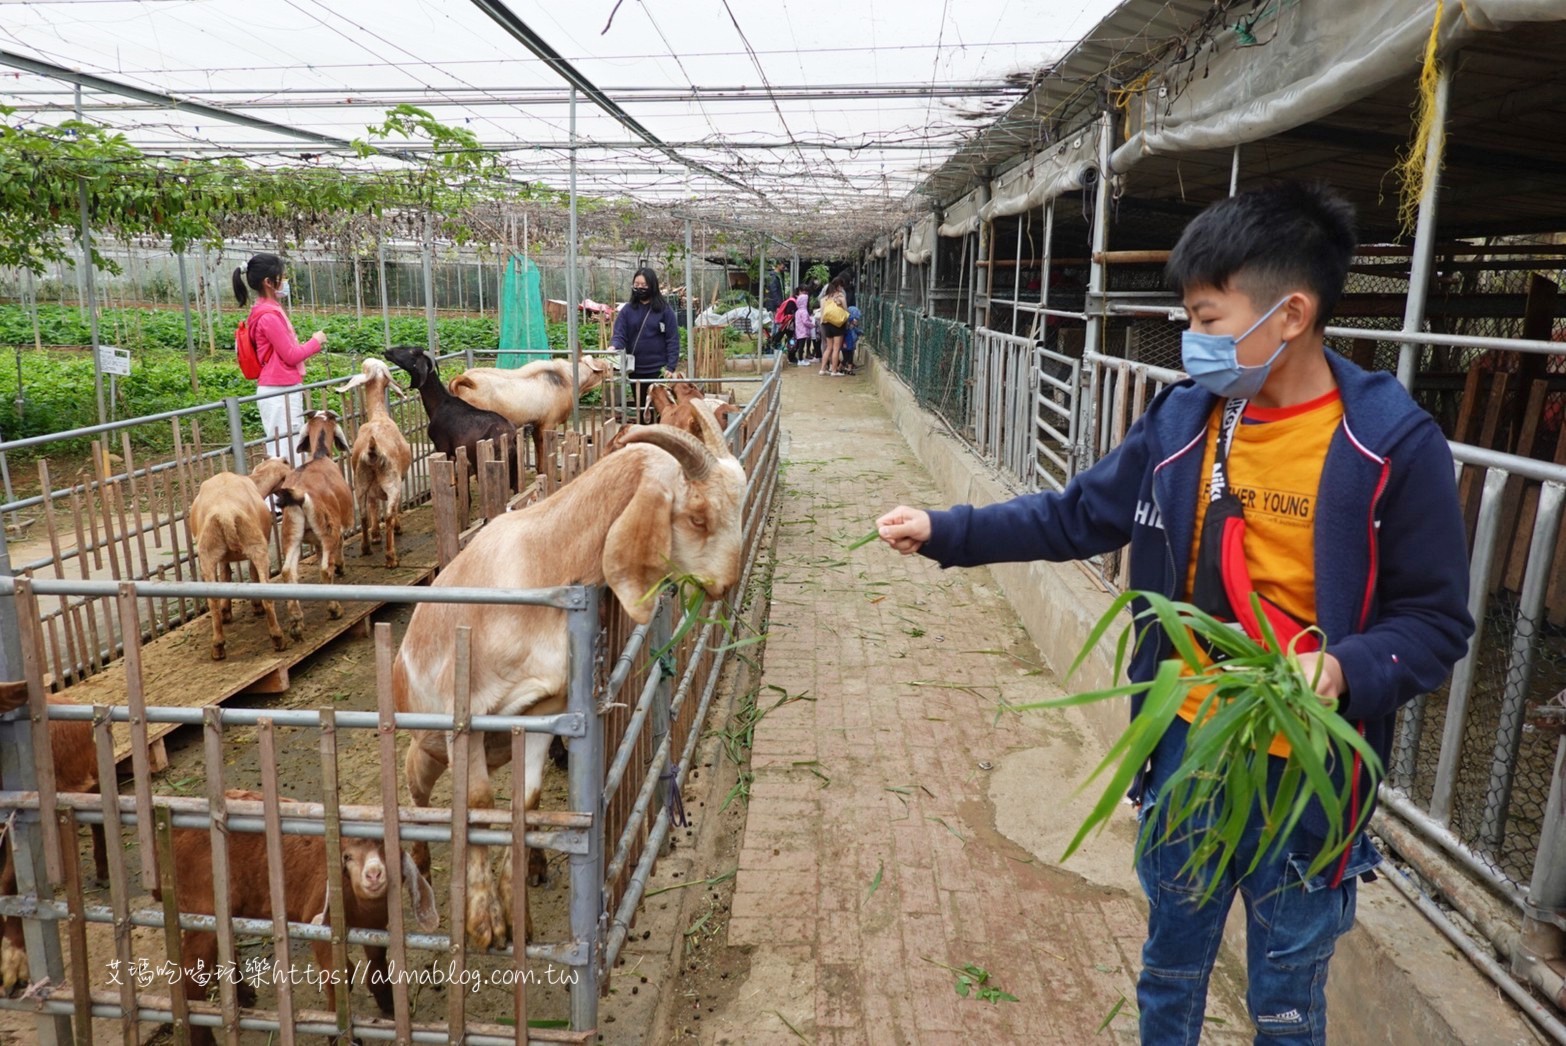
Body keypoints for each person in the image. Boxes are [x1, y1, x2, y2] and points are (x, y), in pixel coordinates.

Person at [873, 183, 1473, 1045]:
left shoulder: (1388, 444)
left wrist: (1342, 667)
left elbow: (1436, 620)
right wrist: (947, 530)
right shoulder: (1185, 421)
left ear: (1291, 313)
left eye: (1207, 319)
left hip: (1309, 771)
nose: (1192, 343)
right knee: (1170, 967)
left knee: (1288, 992)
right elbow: (1079, 515)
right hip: (1187, 742)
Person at [233, 252, 326, 465]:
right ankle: (275, 499)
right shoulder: (268, 316)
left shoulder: (267, 311)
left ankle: (288, 496)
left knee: (290, 450)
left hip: (280, 388)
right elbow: (291, 355)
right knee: (285, 455)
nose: (284, 281)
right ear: (268, 282)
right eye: (281, 277)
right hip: (278, 391)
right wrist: (316, 341)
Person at [611, 267, 681, 412]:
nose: (639, 288)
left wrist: (671, 366)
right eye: (636, 285)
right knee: (642, 408)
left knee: (661, 409)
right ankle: (644, 433)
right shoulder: (627, 310)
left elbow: (672, 339)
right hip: (636, 370)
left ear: (652, 286)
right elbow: (620, 334)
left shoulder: (664, 310)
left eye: (643, 285)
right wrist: (614, 347)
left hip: (658, 370)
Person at [818, 277, 849, 376]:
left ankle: (823, 369)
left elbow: (822, 312)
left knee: (828, 347)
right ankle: (834, 370)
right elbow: (846, 310)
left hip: (826, 324)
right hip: (837, 324)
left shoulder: (824, 299)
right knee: (836, 348)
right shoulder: (841, 297)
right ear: (839, 286)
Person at [792, 285, 814, 368]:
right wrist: (812, 325)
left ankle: (800, 359)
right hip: (803, 331)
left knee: (799, 346)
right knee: (801, 346)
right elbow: (805, 321)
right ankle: (800, 360)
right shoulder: (804, 311)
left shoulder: (798, 311)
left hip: (798, 331)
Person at [841, 305, 861, 376]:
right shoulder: (847, 324)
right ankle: (841, 367)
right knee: (846, 357)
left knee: (850, 356)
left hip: (851, 343)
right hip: (847, 342)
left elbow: (857, 331)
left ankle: (849, 369)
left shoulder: (853, 326)